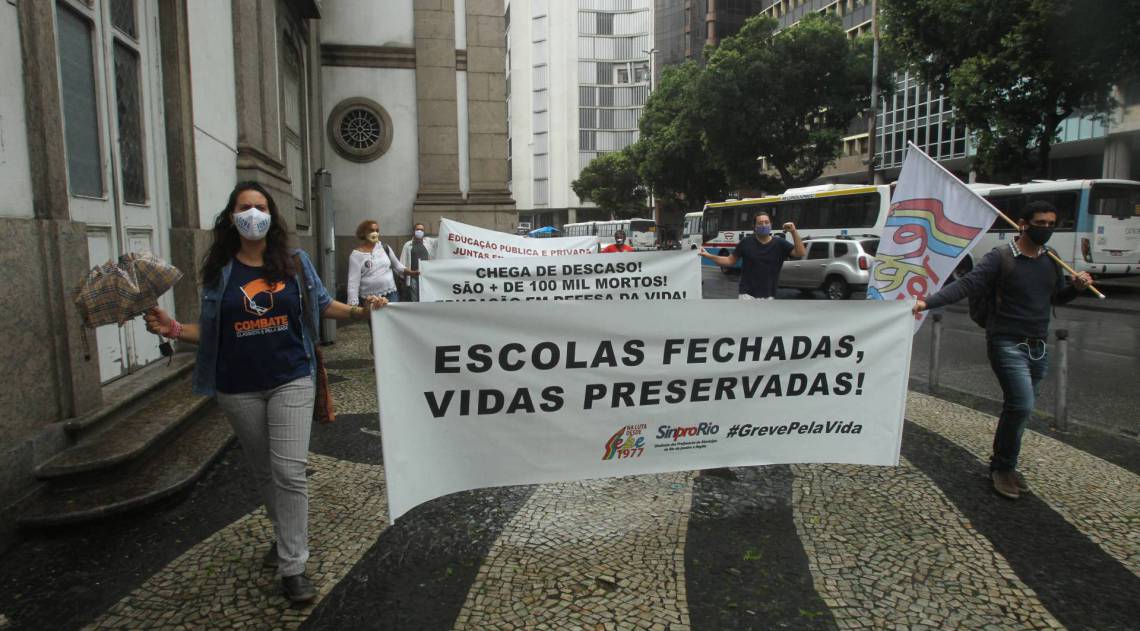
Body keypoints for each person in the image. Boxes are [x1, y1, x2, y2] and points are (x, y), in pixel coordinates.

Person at [144, 182, 389, 604]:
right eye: (245, 207)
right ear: (231, 217)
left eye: (260, 207)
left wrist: (361, 311)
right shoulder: (220, 271)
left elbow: (323, 304)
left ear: (271, 215)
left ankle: (293, 565)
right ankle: (283, 541)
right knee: (264, 472)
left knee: (290, 472)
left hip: (291, 377)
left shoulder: (294, 262)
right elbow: (211, 332)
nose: (253, 214)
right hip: (237, 386)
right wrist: (171, 328)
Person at [912, 200, 1094, 500]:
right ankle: (1003, 469)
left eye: (1051, 224)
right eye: (1040, 223)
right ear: (1023, 224)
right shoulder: (1001, 257)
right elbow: (967, 284)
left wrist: (1075, 288)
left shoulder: (1052, 259)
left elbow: (1056, 299)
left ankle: (1003, 463)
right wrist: (927, 303)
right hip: (1006, 342)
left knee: (1019, 410)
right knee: (1021, 405)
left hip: (1039, 345)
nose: (1045, 229)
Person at [699, 212, 805, 299]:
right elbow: (729, 261)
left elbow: (800, 253)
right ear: (754, 227)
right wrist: (708, 255)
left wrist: (793, 231)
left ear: (771, 225)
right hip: (746, 295)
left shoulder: (780, 243)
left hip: (769, 296)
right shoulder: (746, 242)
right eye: (760, 223)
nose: (764, 225)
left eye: (766, 222)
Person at [348, 219, 418, 307]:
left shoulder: (385, 248)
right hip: (369, 298)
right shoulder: (356, 255)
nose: (375, 233)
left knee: (391, 319)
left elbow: (398, 266)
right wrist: (353, 304)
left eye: (377, 231)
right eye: (371, 230)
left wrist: (412, 273)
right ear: (363, 233)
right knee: (375, 320)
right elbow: (353, 282)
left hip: (391, 294)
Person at [399, 222, 436, 301]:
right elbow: (402, 263)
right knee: (415, 299)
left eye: (422, 230)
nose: (420, 231)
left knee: (426, 299)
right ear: (414, 231)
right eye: (418, 229)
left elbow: (439, 240)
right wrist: (403, 277)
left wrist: (442, 225)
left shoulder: (428, 242)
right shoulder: (408, 245)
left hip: (426, 277)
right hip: (413, 277)